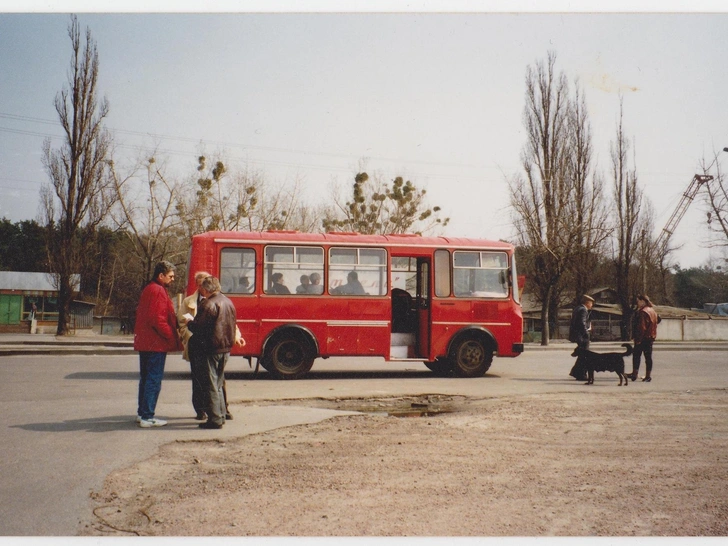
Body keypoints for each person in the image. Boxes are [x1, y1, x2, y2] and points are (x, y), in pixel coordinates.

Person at [179, 271, 244, 421]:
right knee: (219, 381)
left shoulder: (208, 304)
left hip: (210, 348)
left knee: (211, 384)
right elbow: (232, 325)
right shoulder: (228, 301)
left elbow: (197, 327)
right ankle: (221, 413)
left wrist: (190, 322)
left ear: (207, 289)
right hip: (225, 347)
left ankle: (215, 418)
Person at [133, 260, 181, 428]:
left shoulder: (149, 289)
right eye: (170, 276)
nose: (172, 280)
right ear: (161, 276)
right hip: (156, 343)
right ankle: (147, 416)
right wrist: (171, 336)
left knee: (145, 379)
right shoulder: (159, 291)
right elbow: (158, 319)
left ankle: (142, 413)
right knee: (154, 380)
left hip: (145, 342)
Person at [627, 294, 659, 382]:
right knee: (648, 357)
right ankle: (648, 376)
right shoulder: (652, 311)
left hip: (643, 337)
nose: (637, 303)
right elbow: (658, 320)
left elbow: (641, 327)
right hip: (650, 337)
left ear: (643, 301)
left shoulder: (643, 312)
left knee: (636, 356)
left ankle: (635, 374)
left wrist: (638, 339)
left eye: (638, 301)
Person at [568, 294, 594, 381]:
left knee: (582, 355)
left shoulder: (577, 308)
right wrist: (586, 333)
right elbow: (582, 323)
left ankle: (575, 372)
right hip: (582, 336)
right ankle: (581, 374)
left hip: (578, 335)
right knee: (585, 356)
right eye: (591, 303)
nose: (592, 305)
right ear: (587, 303)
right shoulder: (583, 310)